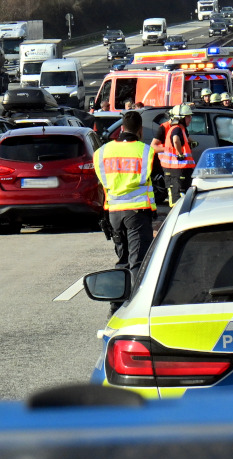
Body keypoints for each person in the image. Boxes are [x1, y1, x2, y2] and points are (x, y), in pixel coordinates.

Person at [93, 110, 155, 314]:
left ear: (121, 128)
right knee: (137, 261)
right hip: (136, 212)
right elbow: (157, 179)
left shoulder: (102, 152)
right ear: (139, 130)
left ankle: (116, 305)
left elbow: (103, 185)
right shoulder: (145, 151)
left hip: (113, 213)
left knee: (123, 259)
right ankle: (136, 309)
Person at [160, 103, 196, 206]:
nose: (190, 119)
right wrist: (180, 154)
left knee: (182, 198)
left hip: (179, 171)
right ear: (181, 118)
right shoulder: (177, 129)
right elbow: (176, 140)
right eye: (188, 116)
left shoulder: (181, 129)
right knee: (177, 201)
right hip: (176, 171)